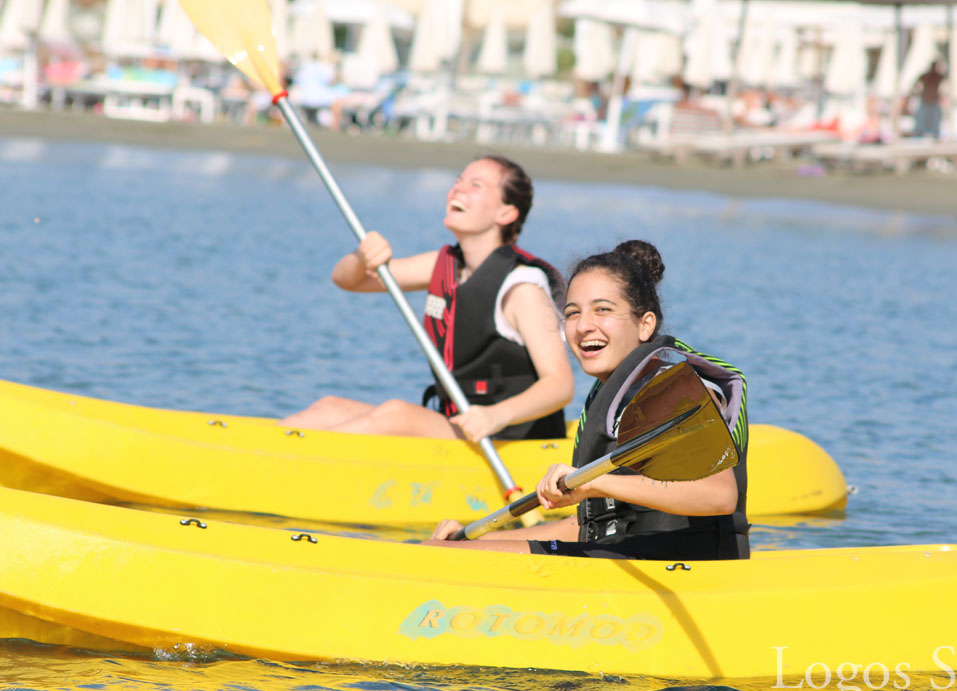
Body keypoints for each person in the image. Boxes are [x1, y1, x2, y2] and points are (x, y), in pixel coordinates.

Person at [427, 240, 750, 561]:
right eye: (572, 313)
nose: (583, 326)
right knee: (445, 551)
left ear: (645, 324)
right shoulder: (607, 397)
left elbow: (718, 496)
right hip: (620, 559)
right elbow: (587, 529)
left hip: (684, 572)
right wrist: (469, 541)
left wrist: (600, 484)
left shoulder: (678, 392)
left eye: (603, 310)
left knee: (442, 558)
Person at [280, 156, 574, 442]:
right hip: (458, 423)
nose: (458, 189)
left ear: (506, 214)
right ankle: (254, 455)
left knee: (394, 415)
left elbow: (560, 385)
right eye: (458, 180)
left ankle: (286, 463)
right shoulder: (444, 266)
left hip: (509, 436)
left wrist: (496, 415)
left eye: (476, 185)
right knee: (328, 408)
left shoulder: (522, 290)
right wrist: (362, 257)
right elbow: (347, 280)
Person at [912, 60, 946, 139]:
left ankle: (935, 135)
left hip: (934, 101)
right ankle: (919, 134)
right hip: (925, 101)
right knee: (921, 120)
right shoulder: (925, 76)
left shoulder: (938, 76)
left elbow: (946, 82)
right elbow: (915, 85)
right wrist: (918, 93)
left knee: (935, 120)